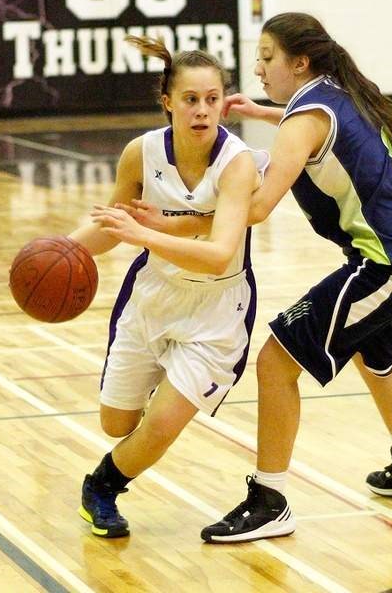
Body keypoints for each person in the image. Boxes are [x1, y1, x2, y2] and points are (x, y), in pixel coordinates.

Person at [193, 12, 392, 543]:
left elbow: (258, 207)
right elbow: (306, 126)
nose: (258, 68)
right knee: (374, 355)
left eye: (267, 58)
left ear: (298, 62)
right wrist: (261, 112)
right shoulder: (335, 92)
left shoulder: (305, 118)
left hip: (388, 261)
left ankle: (270, 499)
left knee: (275, 361)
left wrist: (191, 210)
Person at [68, 35, 268, 538]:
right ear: (168, 102)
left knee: (161, 425)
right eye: (190, 99)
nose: (203, 110)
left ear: (224, 101)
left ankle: (102, 487)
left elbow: (222, 250)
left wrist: (148, 233)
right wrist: (63, 249)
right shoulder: (141, 153)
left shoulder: (238, 163)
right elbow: (114, 222)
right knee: (117, 424)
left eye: (212, 99)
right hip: (154, 295)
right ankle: (158, 380)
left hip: (217, 307)